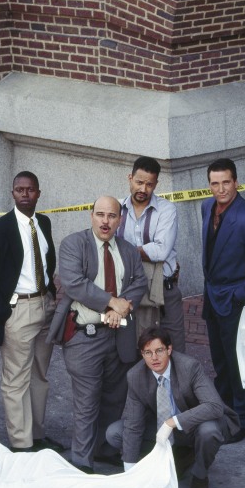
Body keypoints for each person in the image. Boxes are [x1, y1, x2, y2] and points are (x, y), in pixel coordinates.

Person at [47, 196, 147, 472]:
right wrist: (111, 302)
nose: (105, 221)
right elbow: (74, 283)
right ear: (91, 215)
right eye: (100, 214)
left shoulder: (127, 250)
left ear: (120, 219)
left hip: (119, 335)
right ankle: (81, 462)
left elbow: (139, 283)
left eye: (111, 216)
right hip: (85, 337)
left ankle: (104, 450)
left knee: (115, 398)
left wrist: (121, 308)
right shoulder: (73, 244)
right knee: (87, 402)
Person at [0, 171, 61, 453]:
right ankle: (21, 444)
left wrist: (51, 297)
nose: (25, 194)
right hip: (17, 311)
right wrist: (3, 312)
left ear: (39, 193)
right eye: (20, 190)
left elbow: (48, 263)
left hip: (44, 305)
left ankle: (37, 435)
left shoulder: (43, 223)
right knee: (16, 379)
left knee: (40, 376)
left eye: (30, 190)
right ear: (12, 193)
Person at [106, 327, 239, 488]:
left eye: (159, 350)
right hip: (162, 429)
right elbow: (133, 424)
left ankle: (200, 476)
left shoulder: (189, 367)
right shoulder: (135, 376)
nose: (154, 358)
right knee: (115, 432)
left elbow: (214, 406)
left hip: (193, 426)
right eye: (148, 353)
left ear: (169, 349)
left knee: (209, 431)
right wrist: (130, 475)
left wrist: (172, 422)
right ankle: (171, 461)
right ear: (142, 355)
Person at [201, 157, 245, 444]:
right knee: (221, 362)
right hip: (212, 298)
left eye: (226, 182)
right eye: (215, 183)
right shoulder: (207, 206)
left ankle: (243, 421)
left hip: (234, 303)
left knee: (241, 364)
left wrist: (237, 296)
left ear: (236, 182)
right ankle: (224, 411)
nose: (220, 189)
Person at [116, 156, 186, 351]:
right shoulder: (116, 208)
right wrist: (145, 251)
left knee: (174, 348)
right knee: (136, 347)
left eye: (149, 184)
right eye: (139, 182)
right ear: (130, 178)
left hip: (165, 291)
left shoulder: (167, 209)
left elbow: (161, 250)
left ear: (156, 184)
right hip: (129, 291)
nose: (143, 189)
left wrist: (124, 250)